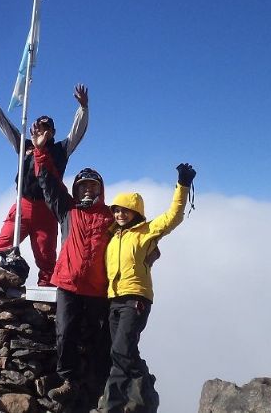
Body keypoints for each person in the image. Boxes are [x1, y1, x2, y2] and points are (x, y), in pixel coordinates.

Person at [99, 163, 196, 413]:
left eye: (125, 210)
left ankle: (130, 399)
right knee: (120, 351)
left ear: (136, 212)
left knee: (121, 349)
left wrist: (182, 185)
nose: (120, 214)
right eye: (116, 210)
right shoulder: (111, 235)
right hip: (114, 299)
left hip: (136, 298)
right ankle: (124, 402)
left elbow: (173, 216)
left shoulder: (146, 232)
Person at [0, 82, 89, 286]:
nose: (42, 132)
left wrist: (83, 108)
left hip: (47, 209)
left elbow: (77, 133)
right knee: (3, 242)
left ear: (52, 132)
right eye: (38, 127)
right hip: (23, 204)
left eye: (46, 129)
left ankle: (46, 288)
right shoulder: (25, 145)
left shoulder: (61, 150)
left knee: (45, 252)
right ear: (33, 129)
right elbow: (6, 127)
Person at [31, 124, 113, 404]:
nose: (87, 190)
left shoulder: (111, 217)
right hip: (67, 284)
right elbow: (49, 183)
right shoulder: (67, 209)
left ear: (100, 190)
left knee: (97, 339)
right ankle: (68, 380)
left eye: (92, 185)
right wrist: (40, 151)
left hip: (97, 289)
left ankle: (96, 385)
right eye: (83, 186)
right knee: (65, 334)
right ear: (76, 190)